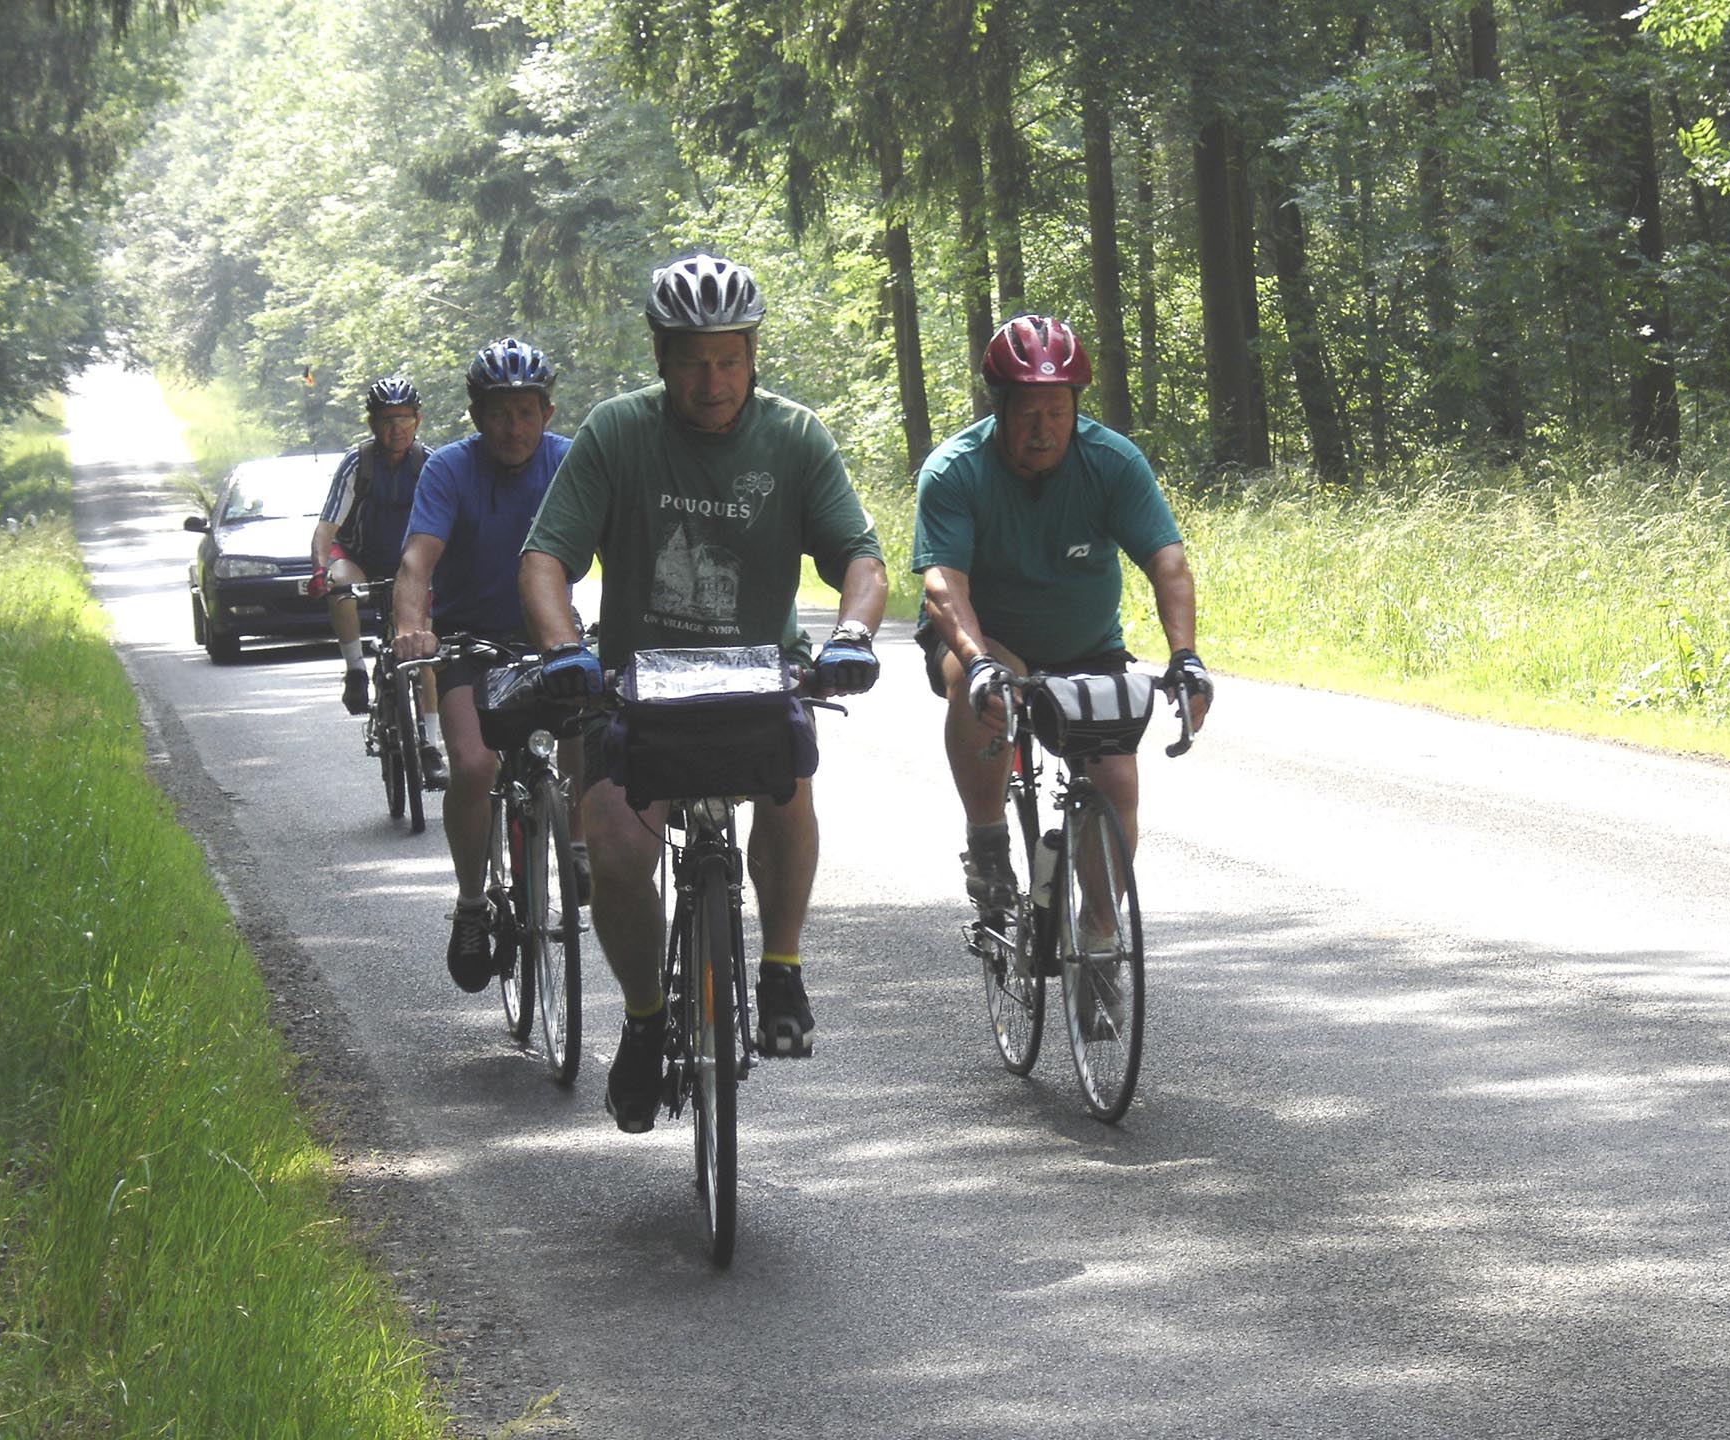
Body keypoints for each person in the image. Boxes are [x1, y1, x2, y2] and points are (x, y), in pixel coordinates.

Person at [518, 251, 886, 1134]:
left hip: (761, 676)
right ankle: (645, 1021)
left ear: (753, 353)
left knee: (787, 783)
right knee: (610, 839)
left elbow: (859, 559)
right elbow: (545, 560)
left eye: (728, 358)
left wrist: (854, 634)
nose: (711, 379)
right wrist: (565, 648)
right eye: (691, 359)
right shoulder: (616, 434)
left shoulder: (795, 437)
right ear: (660, 356)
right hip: (642, 684)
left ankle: (782, 968)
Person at [911, 314, 1213, 913]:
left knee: (1118, 782)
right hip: (985, 637)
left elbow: (1168, 564)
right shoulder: (956, 469)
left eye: (1056, 410)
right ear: (999, 408)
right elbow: (943, 584)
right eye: (1027, 411)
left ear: (1076, 406)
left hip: (1086, 646)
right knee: (986, 692)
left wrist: (1186, 657)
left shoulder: (1112, 462)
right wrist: (972, 662)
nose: (1042, 428)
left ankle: (1099, 943)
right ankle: (988, 840)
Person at [392, 338, 586, 993]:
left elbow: (621, 540)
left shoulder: (570, 463)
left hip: (549, 636)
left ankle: (577, 843)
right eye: (499, 413)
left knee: (592, 724)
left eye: (526, 412)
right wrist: (414, 629)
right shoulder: (448, 470)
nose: (514, 427)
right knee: (474, 766)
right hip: (467, 643)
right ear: (477, 416)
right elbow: (418, 561)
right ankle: (472, 904)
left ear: (548, 412)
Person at [310, 376, 446, 787]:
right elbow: (326, 528)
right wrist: (319, 568)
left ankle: (432, 746)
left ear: (418, 420)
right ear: (372, 424)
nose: (396, 429)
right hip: (360, 558)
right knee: (340, 585)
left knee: (424, 647)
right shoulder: (358, 464)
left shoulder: (431, 463)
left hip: (412, 565)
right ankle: (354, 671)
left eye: (404, 418)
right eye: (387, 420)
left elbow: (452, 525)